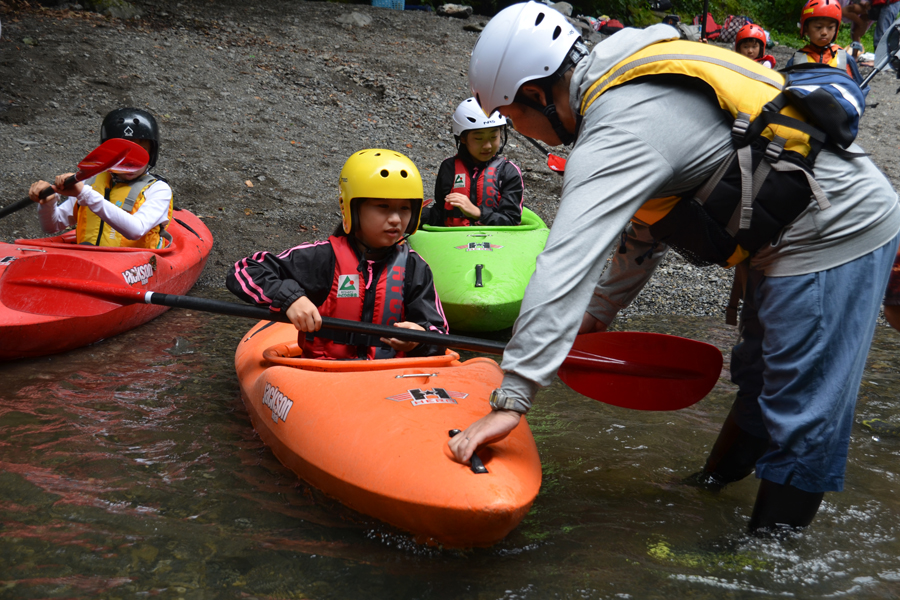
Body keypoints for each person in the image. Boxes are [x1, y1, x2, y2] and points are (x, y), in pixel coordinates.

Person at [452, 1, 900, 533]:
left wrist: (514, 395)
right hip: (784, 231)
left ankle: (764, 565)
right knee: (760, 377)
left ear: (535, 94)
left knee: (803, 406)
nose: (524, 133)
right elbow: (648, 225)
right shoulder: (626, 76)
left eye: (516, 119)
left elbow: (567, 258)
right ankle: (710, 489)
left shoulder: (619, 125)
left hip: (833, 227)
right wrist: (599, 313)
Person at [227, 149, 449, 360]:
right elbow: (244, 271)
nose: (396, 219)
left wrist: (419, 338)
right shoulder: (322, 258)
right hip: (324, 372)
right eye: (383, 206)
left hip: (388, 376)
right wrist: (290, 299)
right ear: (352, 209)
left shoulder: (414, 268)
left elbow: (439, 334)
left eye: (405, 209)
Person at [28, 108, 173, 249]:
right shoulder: (89, 182)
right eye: (122, 153)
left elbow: (136, 230)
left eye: (141, 152)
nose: (131, 162)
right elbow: (52, 226)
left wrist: (85, 194)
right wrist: (48, 202)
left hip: (134, 266)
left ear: (152, 153)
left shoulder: (158, 190)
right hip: (90, 261)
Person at [420, 97, 524, 227]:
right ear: (463, 138)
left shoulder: (508, 172)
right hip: (453, 240)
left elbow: (512, 220)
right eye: (479, 138)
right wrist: (412, 215)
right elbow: (440, 214)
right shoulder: (449, 168)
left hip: (495, 241)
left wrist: (478, 213)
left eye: (493, 137)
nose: (487, 145)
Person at [788, 0, 864, 82]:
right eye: (818, 27)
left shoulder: (846, 58)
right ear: (806, 29)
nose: (824, 32)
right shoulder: (797, 60)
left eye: (830, 27)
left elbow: (859, 89)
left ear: (836, 29)